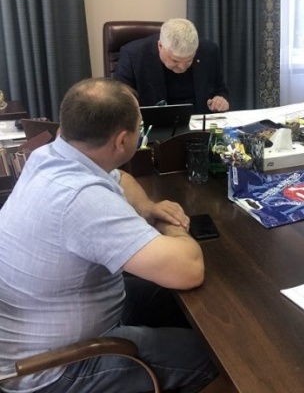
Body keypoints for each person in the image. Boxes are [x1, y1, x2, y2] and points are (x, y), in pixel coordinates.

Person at [0, 78, 216, 392]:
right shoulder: (81, 198)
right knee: (216, 355)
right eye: (139, 128)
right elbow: (189, 269)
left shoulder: (51, 155)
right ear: (122, 141)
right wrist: (171, 224)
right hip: (55, 368)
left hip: (58, 326)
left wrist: (148, 208)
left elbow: (121, 178)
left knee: (185, 307)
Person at [114, 18, 229, 114]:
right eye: (175, 60)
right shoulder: (133, 55)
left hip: (198, 123)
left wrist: (220, 100)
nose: (183, 67)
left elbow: (220, 89)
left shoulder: (209, 51)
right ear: (160, 46)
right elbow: (120, 100)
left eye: (189, 60)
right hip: (156, 125)